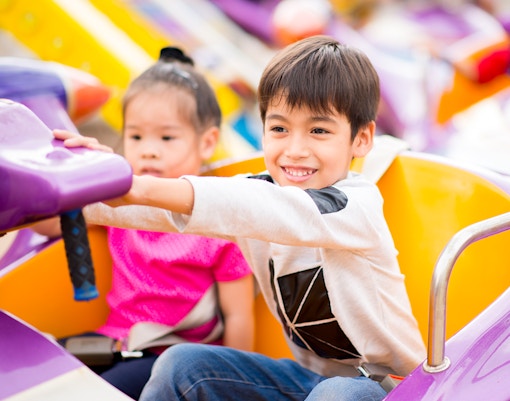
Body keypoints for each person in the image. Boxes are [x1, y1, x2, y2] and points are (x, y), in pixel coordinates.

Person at [54, 35, 426, 401]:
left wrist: (138, 186)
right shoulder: (258, 190)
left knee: (338, 394)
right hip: (307, 380)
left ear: (361, 139)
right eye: (279, 128)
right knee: (181, 364)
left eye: (318, 130)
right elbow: (159, 210)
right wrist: (90, 180)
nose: (295, 150)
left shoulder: (353, 206)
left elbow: (252, 206)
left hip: (391, 388)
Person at [35, 47, 255, 400]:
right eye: (136, 137)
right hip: (109, 344)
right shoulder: (119, 203)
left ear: (207, 142)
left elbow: (239, 318)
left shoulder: (217, 223)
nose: (149, 150)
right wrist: (62, 169)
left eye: (167, 138)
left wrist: (235, 385)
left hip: (170, 355)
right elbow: (47, 225)